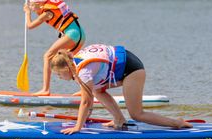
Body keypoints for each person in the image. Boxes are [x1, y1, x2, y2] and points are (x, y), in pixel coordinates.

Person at [49, 44, 193, 134]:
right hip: (126, 61)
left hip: (132, 70)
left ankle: (177, 123)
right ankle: (119, 119)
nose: (59, 77)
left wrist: (77, 127)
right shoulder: (75, 61)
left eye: (59, 74)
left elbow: (86, 103)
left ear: (67, 68)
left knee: (137, 114)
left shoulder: (83, 71)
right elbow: (89, 98)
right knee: (97, 90)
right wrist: (85, 117)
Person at [23, 0, 86, 96]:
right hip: (80, 33)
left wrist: (27, 13)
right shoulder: (50, 6)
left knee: (47, 56)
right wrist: (29, 10)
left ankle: (45, 90)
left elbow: (30, 26)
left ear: (39, 4)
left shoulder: (47, 13)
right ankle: (84, 88)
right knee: (71, 62)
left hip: (73, 34)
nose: (32, 8)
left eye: (32, 5)